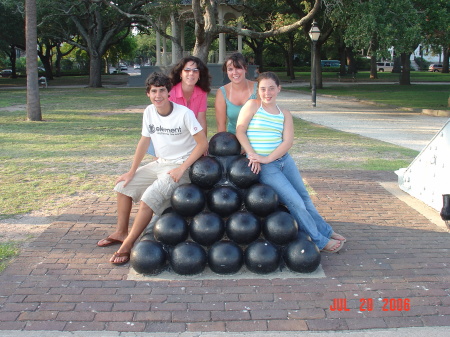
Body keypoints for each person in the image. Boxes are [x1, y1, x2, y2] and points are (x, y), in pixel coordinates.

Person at [97, 72, 208, 264]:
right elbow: (144, 141)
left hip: (181, 167)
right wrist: (131, 171)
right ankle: (122, 232)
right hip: (161, 162)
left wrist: (182, 168)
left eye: (162, 91)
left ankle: (128, 244)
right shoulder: (149, 111)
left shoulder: (184, 114)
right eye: (154, 91)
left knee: (150, 197)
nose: (158, 95)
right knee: (123, 187)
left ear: (169, 93)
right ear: (148, 93)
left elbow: (203, 144)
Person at [236, 72, 346, 253]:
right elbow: (240, 130)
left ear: (279, 89)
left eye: (271, 88)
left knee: (304, 197)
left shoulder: (284, 113)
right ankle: (318, 240)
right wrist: (253, 155)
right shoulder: (253, 106)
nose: (267, 92)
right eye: (263, 89)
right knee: (295, 202)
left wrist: (268, 157)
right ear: (258, 90)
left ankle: (326, 230)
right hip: (266, 167)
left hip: (283, 161)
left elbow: (287, 142)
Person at [147, 56, 210, 156]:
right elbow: (164, 124)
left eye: (195, 71)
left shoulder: (202, 93)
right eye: (187, 70)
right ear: (181, 73)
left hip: (189, 136)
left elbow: (201, 120)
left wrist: (203, 144)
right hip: (166, 136)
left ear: (199, 75)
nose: (191, 73)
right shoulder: (170, 92)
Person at [215, 52, 258, 134]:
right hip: (233, 141)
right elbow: (221, 125)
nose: (234, 72)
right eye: (230, 69)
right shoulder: (222, 92)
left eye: (238, 68)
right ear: (226, 71)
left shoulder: (258, 89)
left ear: (245, 69)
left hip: (256, 139)